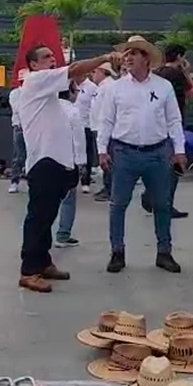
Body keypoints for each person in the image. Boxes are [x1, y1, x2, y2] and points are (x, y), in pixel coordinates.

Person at [17, 46, 119, 293]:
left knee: (48, 216)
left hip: (58, 163)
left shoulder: (51, 96)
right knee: (38, 218)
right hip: (44, 163)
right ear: (32, 65)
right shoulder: (35, 81)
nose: (52, 61)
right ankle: (29, 271)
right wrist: (105, 57)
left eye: (53, 57)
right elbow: (74, 70)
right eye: (45, 58)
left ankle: (43, 262)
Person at [98, 36, 186, 275]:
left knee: (162, 204)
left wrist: (179, 150)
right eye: (126, 54)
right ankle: (117, 252)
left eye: (134, 53)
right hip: (124, 152)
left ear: (146, 59)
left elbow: (174, 120)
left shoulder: (163, 87)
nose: (128, 58)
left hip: (157, 152)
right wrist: (102, 149)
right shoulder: (116, 88)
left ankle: (164, 252)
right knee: (118, 204)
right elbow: (106, 120)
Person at [141, 44, 193, 217]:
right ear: (179, 56)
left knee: (157, 163)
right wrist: (186, 72)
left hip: (157, 124)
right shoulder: (177, 74)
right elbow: (192, 92)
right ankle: (165, 203)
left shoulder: (158, 73)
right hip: (173, 122)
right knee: (173, 167)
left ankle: (150, 195)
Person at [54, 82, 85, 248]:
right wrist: (81, 162)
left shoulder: (47, 109)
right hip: (68, 160)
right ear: (71, 92)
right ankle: (63, 234)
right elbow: (78, 140)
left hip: (47, 159)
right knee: (68, 199)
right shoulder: (73, 111)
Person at [90, 62, 119, 202]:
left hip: (106, 128)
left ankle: (110, 188)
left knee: (108, 159)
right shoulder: (101, 87)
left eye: (95, 71)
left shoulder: (109, 86)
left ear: (102, 71)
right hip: (98, 126)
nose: (93, 75)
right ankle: (107, 186)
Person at [75, 74, 97, 193]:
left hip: (85, 124)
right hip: (71, 125)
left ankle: (86, 180)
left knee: (87, 153)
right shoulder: (70, 85)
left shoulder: (92, 87)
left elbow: (94, 107)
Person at [8, 69, 27, 194]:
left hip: (33, 127)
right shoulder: (15, 93)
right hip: (20, 127)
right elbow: (18, 109)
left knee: (34, 156)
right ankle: (14, 181)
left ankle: (32, 182)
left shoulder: (34, 93)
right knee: (18, 156)